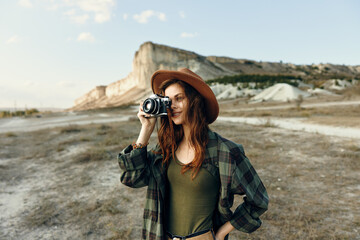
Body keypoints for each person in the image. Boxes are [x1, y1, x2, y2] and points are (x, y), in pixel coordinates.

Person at [118, 68, 268, 240]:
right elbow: (131, 178)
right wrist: (146, 129)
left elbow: (259, 200)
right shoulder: (166, 148)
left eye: (179, 98)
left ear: (195, 100)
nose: (172, 106)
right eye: (168, 100)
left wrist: (221, 233)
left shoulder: (224, 151)